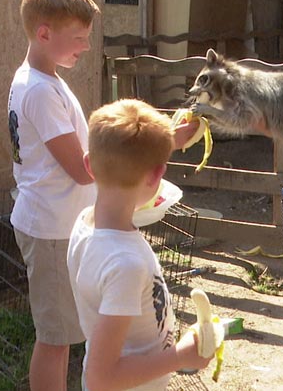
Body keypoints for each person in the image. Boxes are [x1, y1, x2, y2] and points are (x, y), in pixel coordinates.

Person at [67, 99, 212, 391]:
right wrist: (179, 356)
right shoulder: (127, 265)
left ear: (88, 165)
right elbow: (101, 379)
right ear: (158, 175)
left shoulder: (86, 222)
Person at [7, 0, 101, 390]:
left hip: (57, 223)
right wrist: (134, 151)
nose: (85, 47)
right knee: (54, 339)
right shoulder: (41, 90)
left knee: (61, 335)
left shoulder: (42, 79)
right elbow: (81, 168)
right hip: (50, 229)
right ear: (44, 33)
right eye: (78, 39)